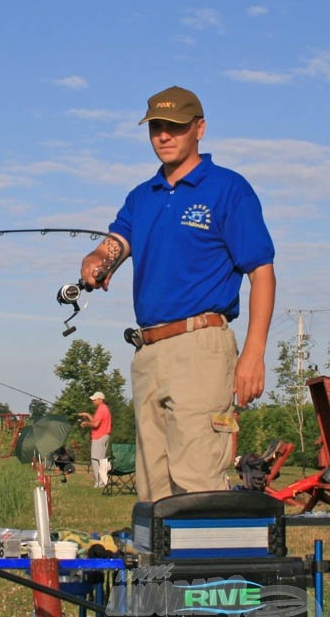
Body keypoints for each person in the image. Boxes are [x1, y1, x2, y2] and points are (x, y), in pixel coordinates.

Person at [78, 85, 275, 502]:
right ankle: (163, 570)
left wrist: (253, 353)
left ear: (199, 129)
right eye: (156, 128)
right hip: (148, 351)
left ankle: (211, 569)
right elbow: (116, 242)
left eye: (175, 127)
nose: (164, 136)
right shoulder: (142, 196)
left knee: (198, 481)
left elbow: (262, 272)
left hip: (201, 345)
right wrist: (98, 258)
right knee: (154, 490)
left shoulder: (227, 189)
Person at [79, 391, 112, 488]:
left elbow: (95, 424)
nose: (92, 401)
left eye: (94, 399)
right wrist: (87, 415)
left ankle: (100, 482)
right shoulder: (102, 409)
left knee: (97, 460)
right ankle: (100, 481)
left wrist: (86, 423)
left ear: (100, 399)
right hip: (101, 437)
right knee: (99, 459)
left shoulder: (102, 409)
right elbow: (95, 421)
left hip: (100, 437)